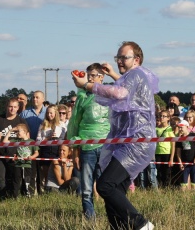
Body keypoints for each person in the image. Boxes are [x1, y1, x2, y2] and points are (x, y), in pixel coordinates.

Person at [71, 41, 158, 230]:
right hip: (129, 142)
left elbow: (119, 93)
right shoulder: (134, 76)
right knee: (115, 189)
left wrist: (88, 85)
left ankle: (141, 224)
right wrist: (111, 73)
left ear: (136, 59)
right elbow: (125, 88)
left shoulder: (136, 74)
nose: (119, 60)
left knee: (105, 185)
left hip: (136, 142)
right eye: (117, 57)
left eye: (123, 57)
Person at [67, 62, 110, 219]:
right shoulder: (82, 97)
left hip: (106, 147)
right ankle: (90, 219)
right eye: (88, 75)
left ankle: (112, 216)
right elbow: (75, 124)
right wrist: (74, 150)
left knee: (107, 185)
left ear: (102, 77)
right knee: (86, 187)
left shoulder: (109, 94)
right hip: (87, 147)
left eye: (93, 76)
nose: (90, 78)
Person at [19, 90, 46, 195]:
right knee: (29, 172)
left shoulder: (48, 112)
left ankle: (42, 192)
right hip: (28, 147)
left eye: (37, 97)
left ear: (43, 99)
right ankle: (29, 191)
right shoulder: (25, 113)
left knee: (42, 171)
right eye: (33, 97)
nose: (35, 99)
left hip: (44, 146)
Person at [2, 123, 38, 198]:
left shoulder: (31, 141)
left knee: (27, 180)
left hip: (27, 164)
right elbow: (5, 142)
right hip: (18, 164)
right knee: (16, 181)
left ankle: (28, 195)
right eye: (16, 131)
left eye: (19, 131)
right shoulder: (16, 140)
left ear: (24, 132)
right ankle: (15, 196)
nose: (17, 133)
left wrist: (31, 157)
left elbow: (36, 152)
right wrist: (10, 131)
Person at [36, 105, 65, 193]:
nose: (49, 115)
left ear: (55, 113)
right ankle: (45, 191)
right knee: (46, 173)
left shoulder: (62, 125)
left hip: (57, 150)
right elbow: (37, 140)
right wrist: (48, 138)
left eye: (51, 113)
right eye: (48, 113)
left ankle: (59, 190)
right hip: (46, 150)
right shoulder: (42, 124)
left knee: (57, 172)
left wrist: (57, 137)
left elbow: (64, 139)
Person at [155, 110, 175, 187]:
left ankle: (166, 188)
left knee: (166, 172)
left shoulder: (169, 129)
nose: (162, 118)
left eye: (164, 116)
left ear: (168, 118)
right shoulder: (156, 129)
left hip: (167, 153)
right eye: (160, 116)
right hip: (157, 152)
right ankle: (160, 187)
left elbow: (173, 144)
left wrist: (171, 158)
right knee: (159, 172)